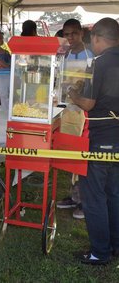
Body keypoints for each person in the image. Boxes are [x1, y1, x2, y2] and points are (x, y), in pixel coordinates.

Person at [68, 17, 119, 265]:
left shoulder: (99, 63)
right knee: (115, 193)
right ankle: (115, 244)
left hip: (102, 138)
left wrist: (73, 94)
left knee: (95, 196)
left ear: (97, 38)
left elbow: (89, 103)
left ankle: (100, 251)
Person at [57, 18, 94, 219]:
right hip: (66, 108)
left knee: (83, 154)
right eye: (66, 34)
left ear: (81, 33)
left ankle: (84, 201)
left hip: (85, 111)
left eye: (73, 33)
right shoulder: (65, 53)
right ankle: (75, 196)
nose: (70, 38)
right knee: (71, 152)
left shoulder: (91, 55)